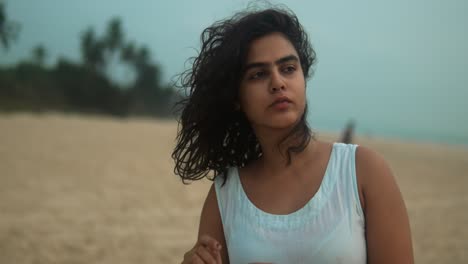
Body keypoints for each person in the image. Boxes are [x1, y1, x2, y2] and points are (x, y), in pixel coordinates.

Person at [172, 7, 413, 264]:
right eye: (258, 74)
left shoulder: (362, 171)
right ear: (236, 99)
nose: (278, 82)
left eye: (288, 68)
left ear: (303, 78)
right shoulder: (226, 195)